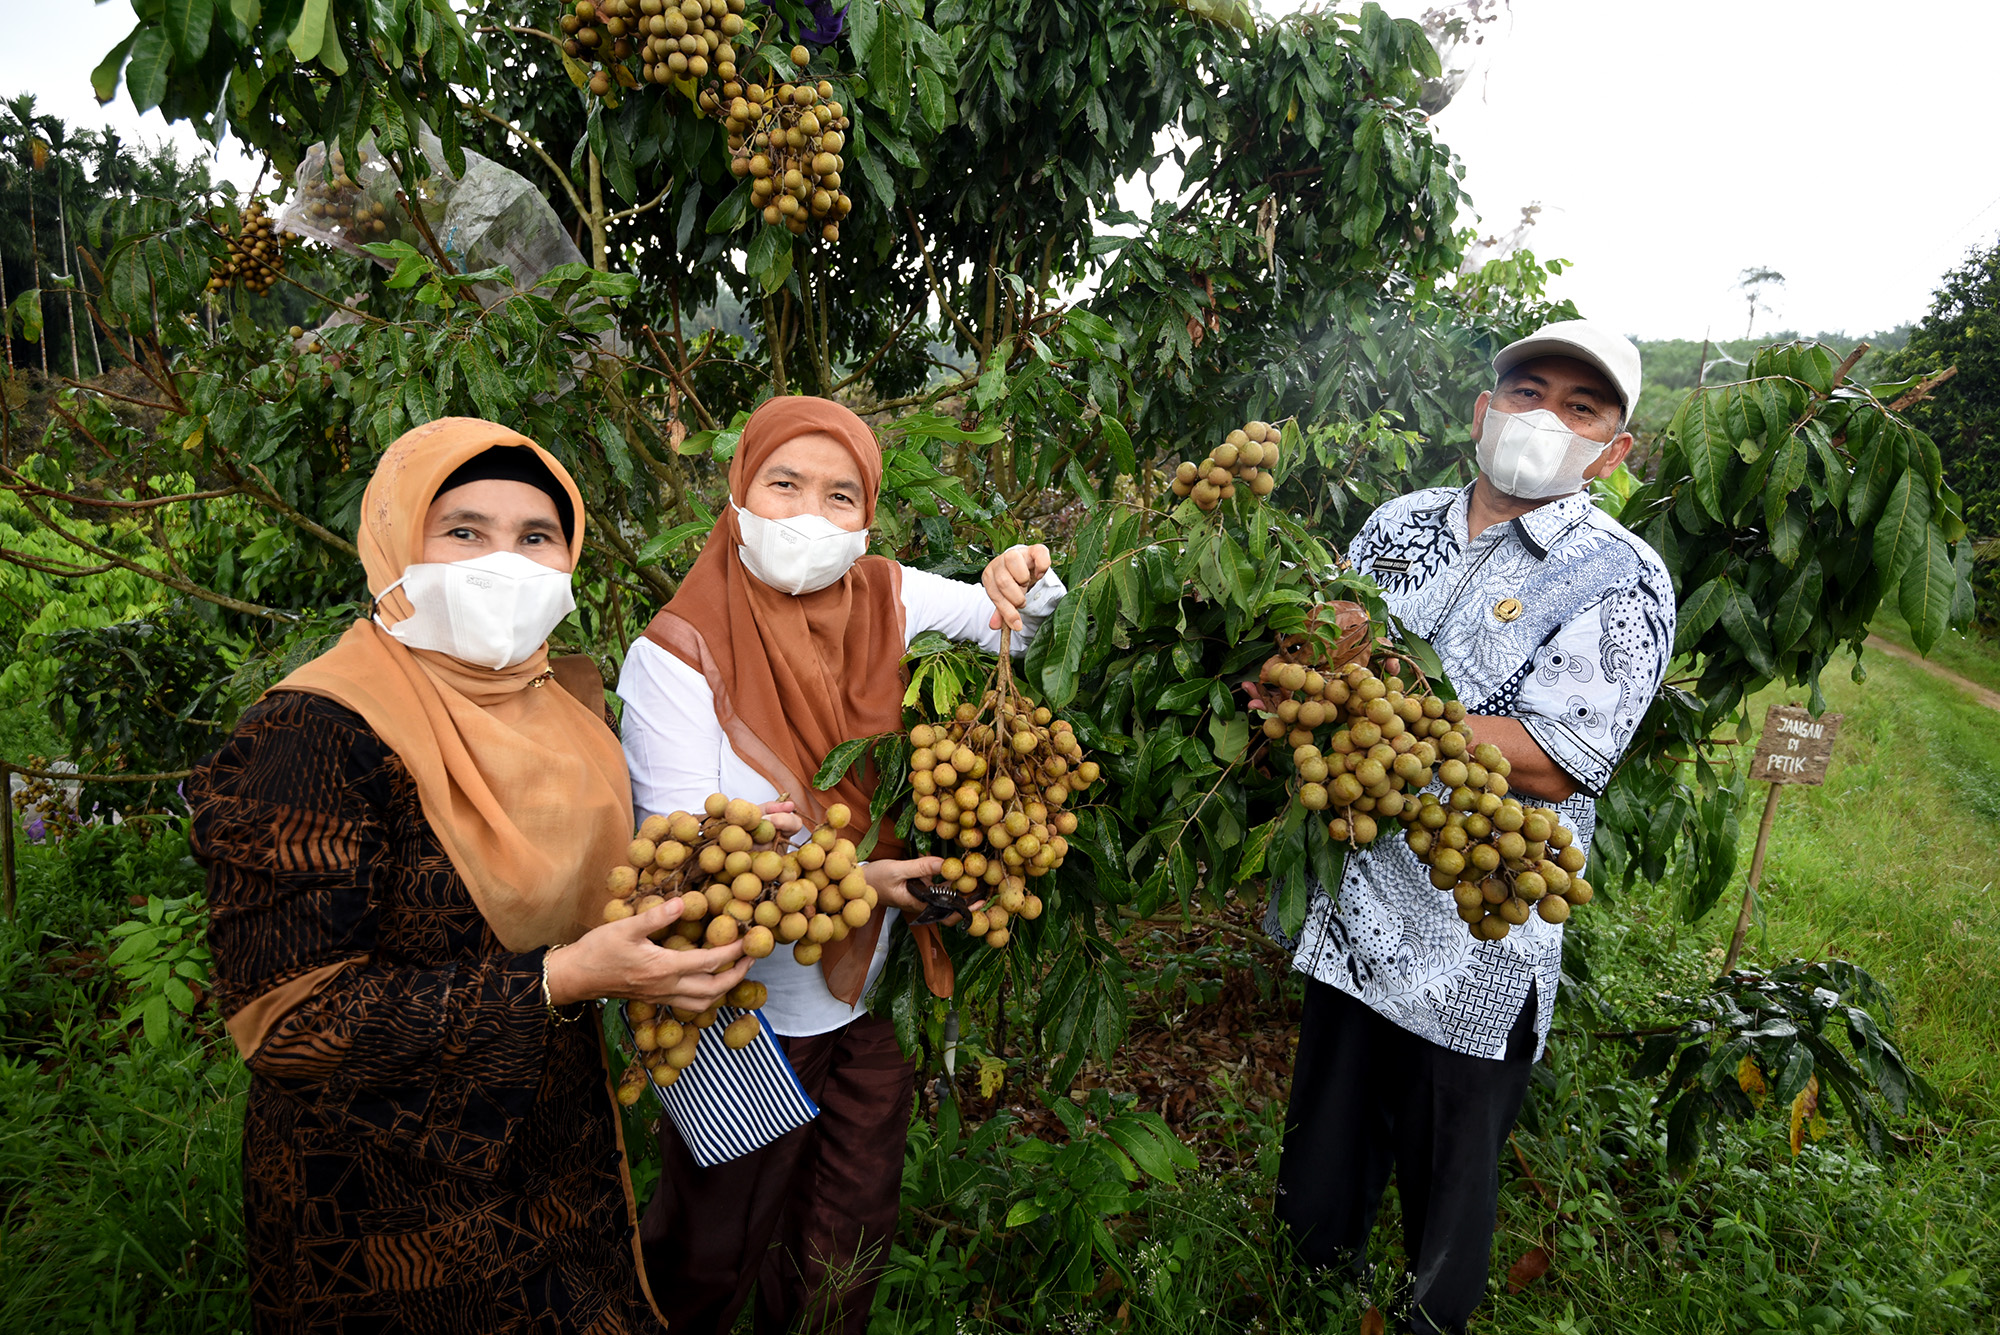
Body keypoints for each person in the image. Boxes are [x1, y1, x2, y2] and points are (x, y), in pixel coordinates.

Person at [188, 418, 748, 1333]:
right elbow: (293, 1022)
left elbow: (601, 892)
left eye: (536, 537)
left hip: (560, 1157)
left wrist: (722, 861)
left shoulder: (566, 712)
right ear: (394, 545)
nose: (504, 562)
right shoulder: (308, 734)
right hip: (379, 1201)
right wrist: (560, 980)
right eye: (463, 530)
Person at [618, 394, 1065, 1334]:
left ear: (866, 516)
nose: (809, 517)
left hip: (869, 998)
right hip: (740, 1017)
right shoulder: (672, 657)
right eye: (784, 484)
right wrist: (864, 883)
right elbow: (685, 882)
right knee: (710, 1252)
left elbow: (1020, 621)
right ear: (739, 490)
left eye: (839, 496)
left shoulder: (885, 595)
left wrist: (1019, 574)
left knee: (844, 1243)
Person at [1273, 321, 1677, 1334]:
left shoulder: (1619, 573)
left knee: (1445, 1200)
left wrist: (1383, 702)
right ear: (1481, 411)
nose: (1545, 418)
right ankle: (1305, 1294)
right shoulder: (1396, 524)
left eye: (1580, 408)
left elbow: (1560, 752)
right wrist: (1294, 671)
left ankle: (1427, 1318)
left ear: (1613, 450)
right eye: (1527, 392)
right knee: (1319, 1174)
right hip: (1352, 913)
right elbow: (1321, 645)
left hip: (1475, 948)